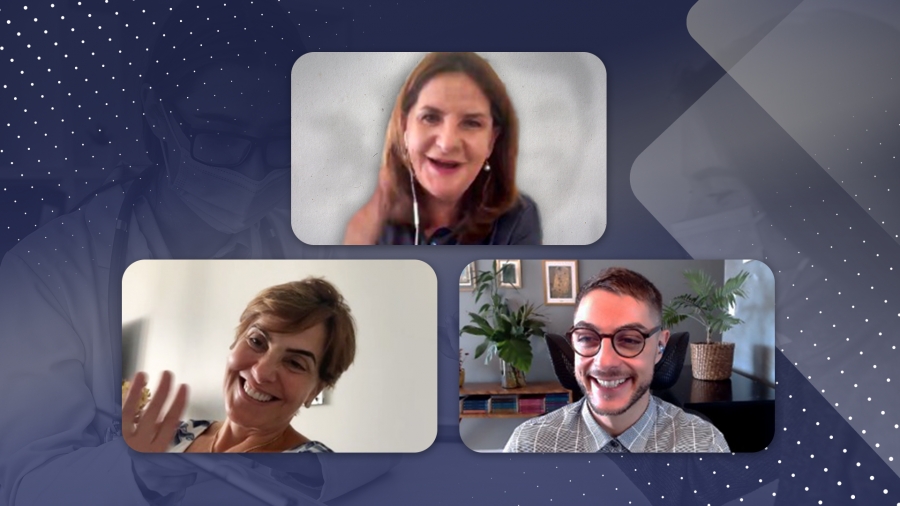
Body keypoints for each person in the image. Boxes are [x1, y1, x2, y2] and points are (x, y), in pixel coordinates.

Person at [0, 1, 393, 504]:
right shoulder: (46, 274)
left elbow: (390, 416)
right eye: (221, 136)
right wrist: (139, 472)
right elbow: (28, 484)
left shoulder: (322, 242)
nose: (253, 171)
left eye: (278, 140)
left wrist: (302, 463)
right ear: (158, 117)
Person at [504, 267, 730, 453]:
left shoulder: (704, 445)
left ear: (660, 346)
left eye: (630, 340)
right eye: (586, 338)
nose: (604, 362)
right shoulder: (529, 445)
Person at [123, 279, 356, 454]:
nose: (261, 372)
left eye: (295, 363)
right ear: (236, 342)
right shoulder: (171, 436)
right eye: (256, 341)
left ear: (315, 390)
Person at [343, 52, 542, 245]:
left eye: (471, 123)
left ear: (492, 140)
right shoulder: (371, 220)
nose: (447, 144)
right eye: (430, 117)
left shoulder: (517, 219)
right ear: (404, 128)